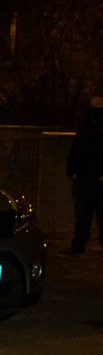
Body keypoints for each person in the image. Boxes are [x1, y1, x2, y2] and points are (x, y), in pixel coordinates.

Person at [63, 95, 103, 256]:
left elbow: (77, 150)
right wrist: (73, 171)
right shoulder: (87, 126)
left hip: (90, 177)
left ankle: (78, 245)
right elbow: (77, 150)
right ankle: (78, 244)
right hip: (86, 177)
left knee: (86, 214)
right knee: (83, 214)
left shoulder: (87, 126)